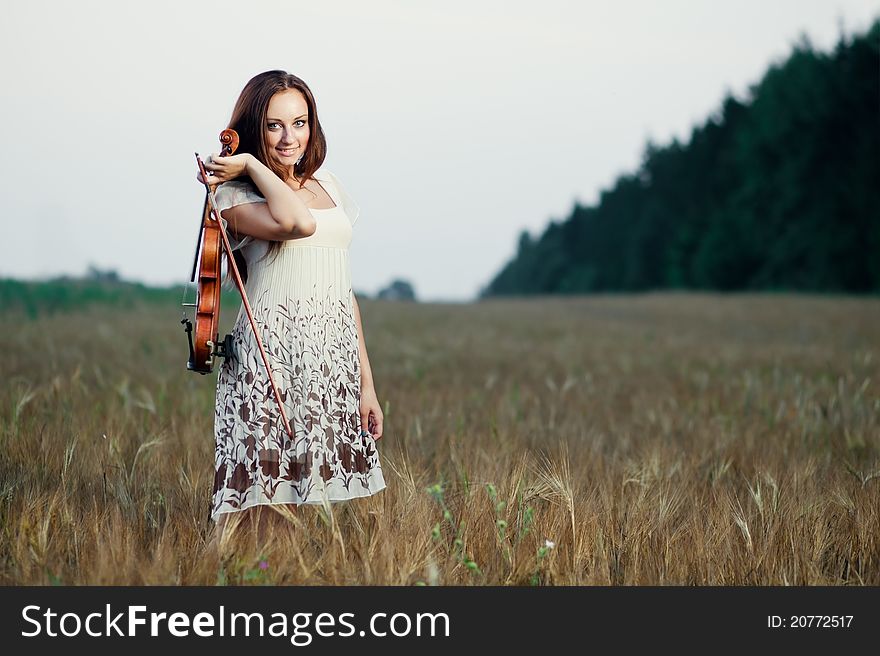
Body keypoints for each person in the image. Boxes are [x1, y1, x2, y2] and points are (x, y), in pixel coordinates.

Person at [198, 70, 387, 546]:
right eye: (274, 125)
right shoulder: (234, 195)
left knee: (307, 508)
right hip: (270, 359)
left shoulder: (331, 187)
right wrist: (249, 168)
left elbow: (344, 292)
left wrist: (366, 383)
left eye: (300, 123)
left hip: (328, 359)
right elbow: (297, 223)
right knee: (261, 507)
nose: (290, 138)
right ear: (253, 129)